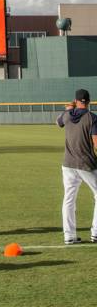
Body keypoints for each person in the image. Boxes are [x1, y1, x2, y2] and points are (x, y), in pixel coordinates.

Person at [56, 89, 97, 245]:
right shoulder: (92, 118)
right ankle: (95, 233)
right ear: (89, 101)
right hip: (86, 164)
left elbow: (57, 122)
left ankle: (69, 236)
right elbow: (96, 143)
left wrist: (68, 109)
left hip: (68, 164)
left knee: (69, 199)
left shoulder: (67, 115)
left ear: (75, 100)